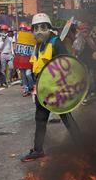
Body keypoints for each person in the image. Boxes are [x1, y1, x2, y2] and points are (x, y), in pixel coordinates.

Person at [21, 13, 81, 162]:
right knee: (40, 119)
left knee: (66, 117)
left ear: (49, 28)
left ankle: (82, 145)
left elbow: (67, 65)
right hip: (42, 91)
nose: (39, 31)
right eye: (36, 28)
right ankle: (38, 149)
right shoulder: (37, 46)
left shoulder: (56, 43)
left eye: (43, 27)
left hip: (57, 90)